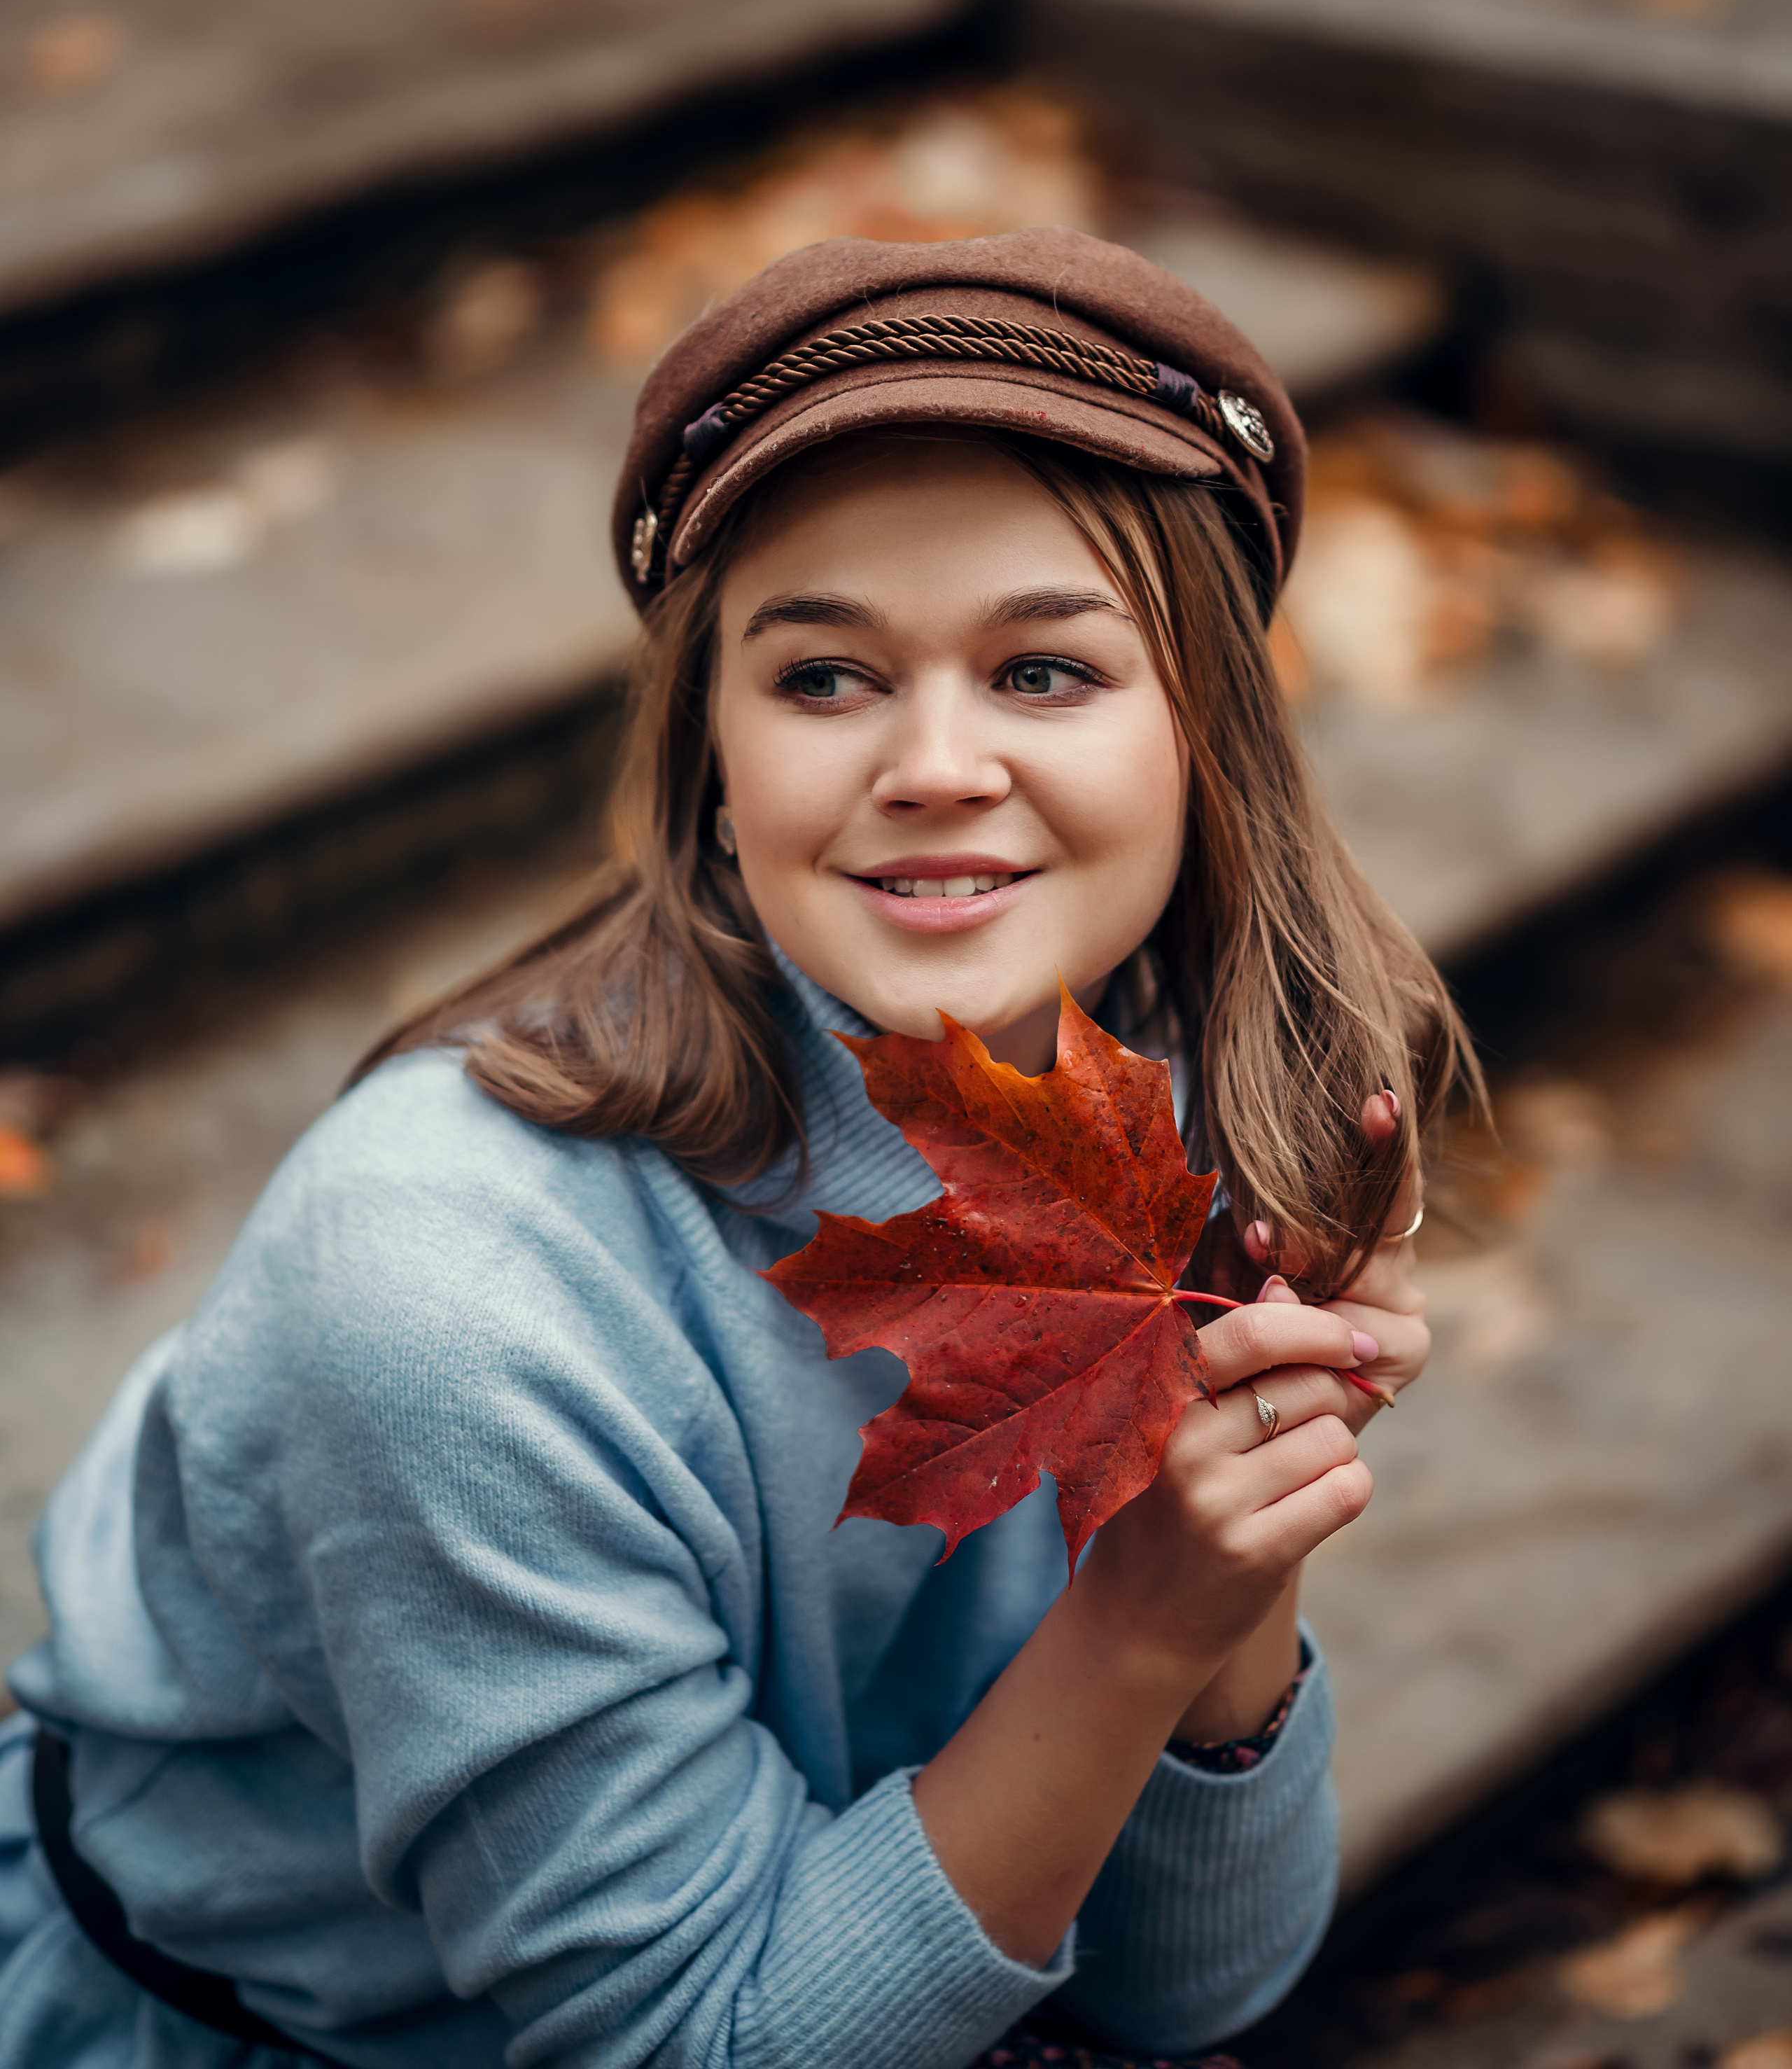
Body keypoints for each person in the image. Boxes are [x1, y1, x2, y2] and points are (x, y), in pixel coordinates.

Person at [0, 229, 1474, 2069]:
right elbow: (703, 2037)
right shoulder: (449, 1292)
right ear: (711, 743)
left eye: (1044, 673)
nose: (935, 762)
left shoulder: (1181, 1155)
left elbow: (1193, 1983)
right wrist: (1135, 1623)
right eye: (826, 678)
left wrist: (1231, 1564)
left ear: (1209, 735)